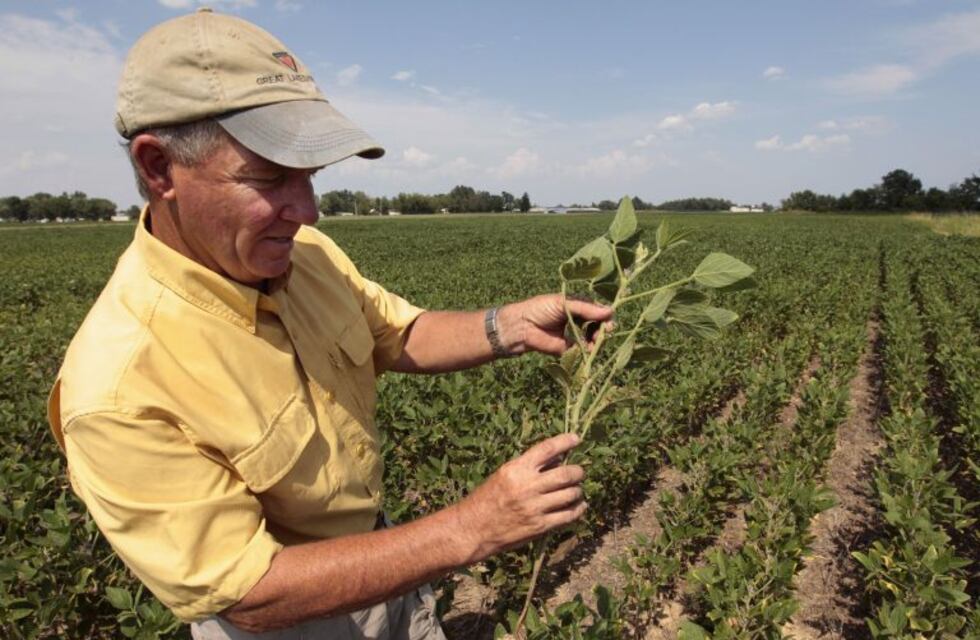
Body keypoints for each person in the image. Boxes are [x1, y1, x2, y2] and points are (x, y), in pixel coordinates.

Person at [47, 8, 612, 639]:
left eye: (311, 177)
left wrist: (505, 326)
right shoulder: (117, 388)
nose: (308, 211)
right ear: (158, 169)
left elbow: (395, 334)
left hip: (388, 556)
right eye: (269, 178)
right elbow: (251, 592)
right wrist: (470, 528)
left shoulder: (302, 254)